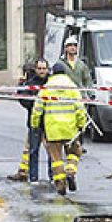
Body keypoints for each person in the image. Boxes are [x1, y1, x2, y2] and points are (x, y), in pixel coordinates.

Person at [30, 62, 88, 196]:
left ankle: (61, 184)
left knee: (56, 159)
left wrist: (35, 124)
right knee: (74, 152)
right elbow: (80, 108)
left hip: (53, 129)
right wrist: (81, 124)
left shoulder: (46, 88)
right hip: (70, 129)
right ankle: (70, 171)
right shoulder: (73, 88)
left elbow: (37, 109)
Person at [8, 58, 50, 182]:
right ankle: (33, 178)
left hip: (49, 123)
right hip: (35, 123)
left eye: (44, 68)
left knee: (52, 152)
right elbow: (23, 99)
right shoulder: (31, 83)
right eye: (40, 68)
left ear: (47, 69)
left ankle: (53, 177)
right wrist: (35, 104)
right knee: (33, 151)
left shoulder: (52, 83)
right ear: (35, 69)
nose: (42, 71)